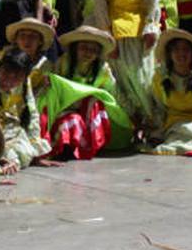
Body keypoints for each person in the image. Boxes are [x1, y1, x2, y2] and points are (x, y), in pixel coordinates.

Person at [85, 0, 161, 130]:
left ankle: (154, 122)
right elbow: (100, 5)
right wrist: (107, 38)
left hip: (140, 32)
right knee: (121, 80)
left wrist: (151, 27)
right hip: (115, 31)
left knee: (143, 78)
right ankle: (132, 125)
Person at [34, 25, 133, 159]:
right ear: (75, 48)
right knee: (72, 120)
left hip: (89, 113)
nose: (88, 53)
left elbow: (114, 95)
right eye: (83, 48)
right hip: (64, 109)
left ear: (98, 53)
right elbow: (52, 87)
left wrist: (130, 116)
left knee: (96, 101)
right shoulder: (63, 63)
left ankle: (91, 144)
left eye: (93, 50)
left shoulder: (103, 71)